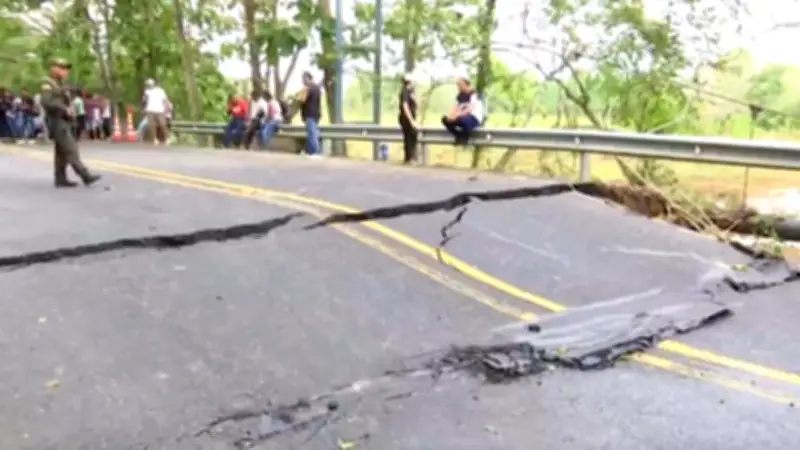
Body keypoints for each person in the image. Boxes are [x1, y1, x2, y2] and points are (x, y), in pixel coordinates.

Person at [40, 58, 101, 188]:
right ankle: (85, 175)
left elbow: (69, 92)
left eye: (66, 68)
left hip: (65, 120)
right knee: (70, 148)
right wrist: (63, 108)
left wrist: (78, 91)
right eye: (62, 68)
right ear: (54, 68)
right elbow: (46, 102)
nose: (65, 71)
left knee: (62, 152)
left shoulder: (61, 84)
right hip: (57, 120)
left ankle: (60, 178)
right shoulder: (47, 83)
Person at [441, 77, 483, 145]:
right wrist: (450, 116)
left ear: (467, 85)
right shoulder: (460, 96)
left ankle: (465, 137)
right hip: (462, 117)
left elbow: (470, 109)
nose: (458, 87)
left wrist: (457, 115)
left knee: (462, 119)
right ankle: (459, 136)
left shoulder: (474, 94)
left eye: (460, 85)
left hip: (473, 118)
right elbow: (455, 107)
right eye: (458, 85)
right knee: (445, 119)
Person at [298, 71, 321, 156]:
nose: (302, 81)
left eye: (303, 79)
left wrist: (299, 96)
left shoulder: (308, 88)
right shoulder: (317, 88)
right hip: (316, 113)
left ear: (308, 78)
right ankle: (311, 151)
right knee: (313, 132)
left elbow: (301, 99)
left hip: (309, 113)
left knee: (312, 133)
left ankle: (315, 152)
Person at [398, 73, 419, 164]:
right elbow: (405, 106)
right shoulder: (405, 92)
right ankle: (410, 158)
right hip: (406, 118)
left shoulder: (410, 92)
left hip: (410, 117)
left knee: (412, 137)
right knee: (409, 137)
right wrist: (411, 121)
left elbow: (416, 105)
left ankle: (410, 158)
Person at [143, 78, 170, 145]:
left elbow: (165, 100)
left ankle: (167, 138)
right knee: (152, 125)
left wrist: (166, 108)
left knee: (162, 124)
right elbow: (144, 101)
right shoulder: (147, 91)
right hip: (150, 110)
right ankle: (155, 139)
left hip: (159, 109)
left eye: (150, 84)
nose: (149, 86)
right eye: (148, 85)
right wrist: (144, 101)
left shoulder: (160, 91)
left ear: (153, 84)